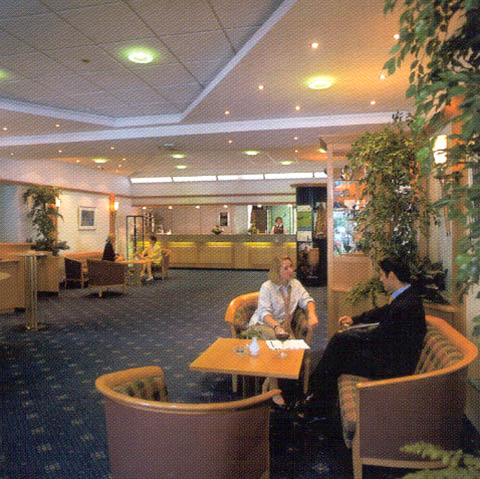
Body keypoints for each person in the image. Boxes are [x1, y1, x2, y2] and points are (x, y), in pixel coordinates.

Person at [300, 257, 426, 418]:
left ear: (392, 275)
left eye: (382, 275)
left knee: (339, 348)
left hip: (393, 367)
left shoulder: (406, 305)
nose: (380, 279)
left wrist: (349, 336)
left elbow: (378, 337)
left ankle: (316, 400)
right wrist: (355, 320)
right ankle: (318, 401)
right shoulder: (407, 296)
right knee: (339, 349)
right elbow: (383, 312)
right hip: (390, 355)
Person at [247, 255, 319, 406]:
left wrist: (312, 314)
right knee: (276, 343)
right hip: (261, 326)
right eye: (286, 268)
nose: (291, 270)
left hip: (283, 327)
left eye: (291, 266)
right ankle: (274, 389)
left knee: (292, 351)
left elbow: (308, 300)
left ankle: (267, 380)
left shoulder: (295, 284)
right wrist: (276, 327)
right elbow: (264, 313)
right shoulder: (267, 287)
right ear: (277, 271)